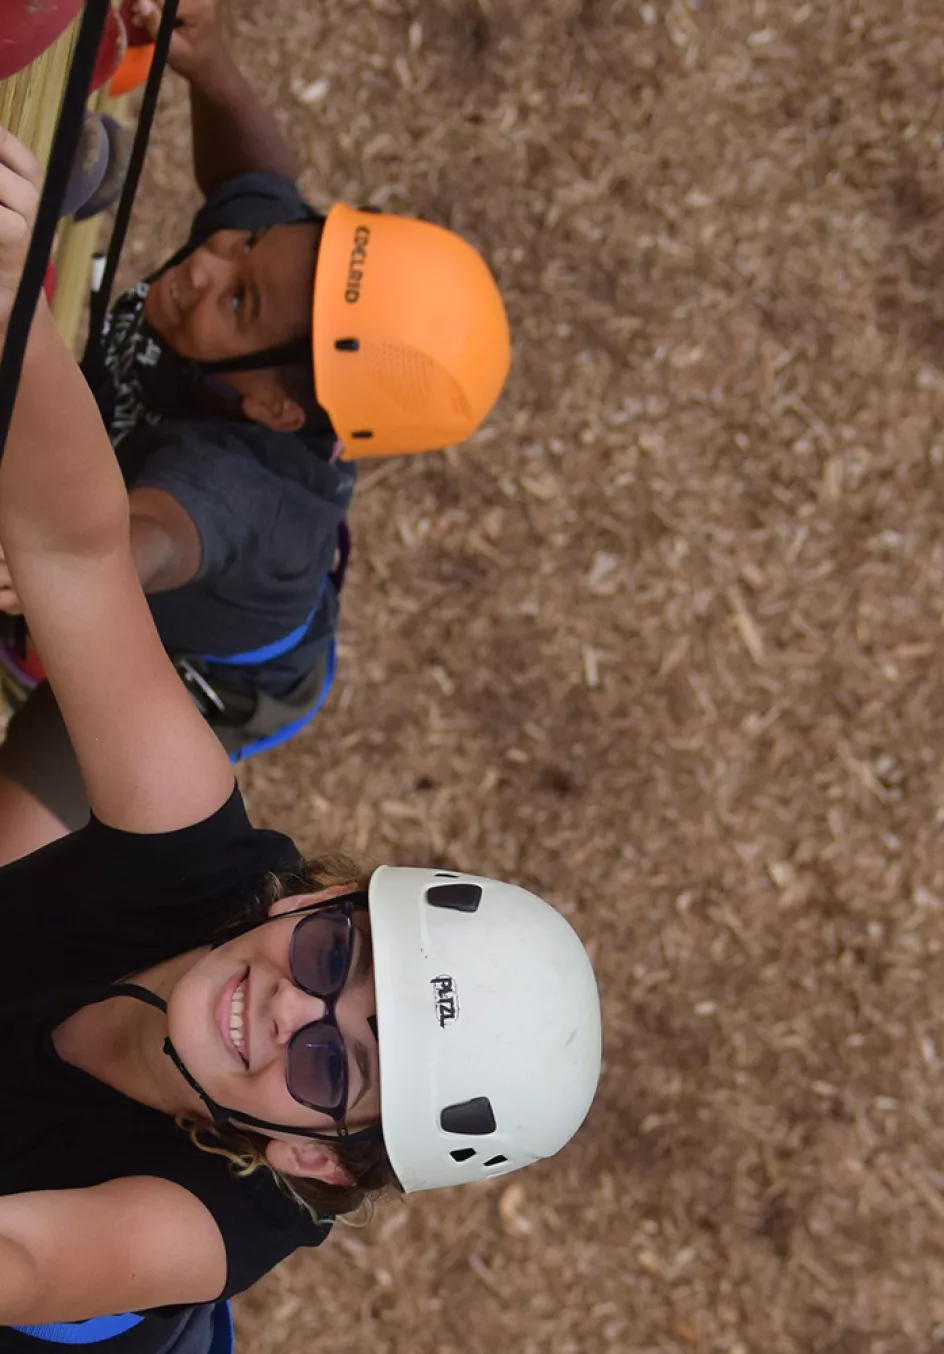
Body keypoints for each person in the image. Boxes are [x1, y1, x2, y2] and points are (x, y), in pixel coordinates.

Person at [0, 126, 596, 1328]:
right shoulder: (209, 867)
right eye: (339, 957)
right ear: (310, 899)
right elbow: (77, 555)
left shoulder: (207, 1226)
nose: (291, 1010)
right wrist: (10, 286)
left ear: (314, 1160)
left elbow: (17, 1255)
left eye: (337, 1068)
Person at [0, 0, 512, 863]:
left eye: (239, 301)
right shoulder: (270, 287)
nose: (208, 262)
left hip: (187, 663)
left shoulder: (239, 488)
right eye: (250, 243)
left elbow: (139, 543)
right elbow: (261, 182)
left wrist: (53, 568)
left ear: (279, 409)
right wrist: (215, 70)